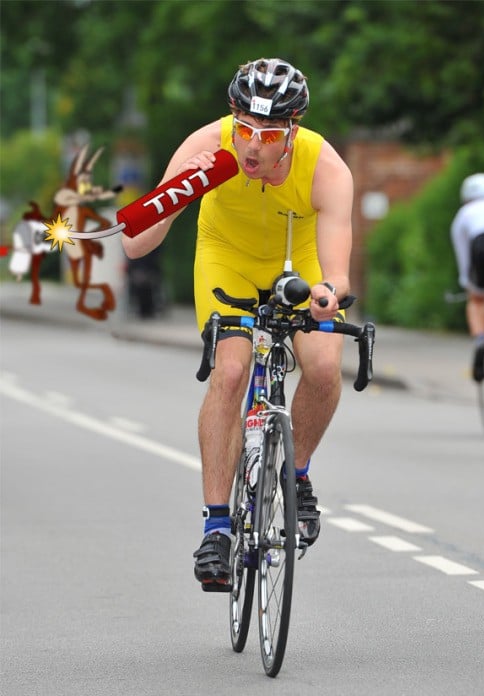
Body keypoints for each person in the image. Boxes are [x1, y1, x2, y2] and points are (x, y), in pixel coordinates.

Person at [122, 58, 353, 590]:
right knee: (230, 370)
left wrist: (326, 296)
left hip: (301, 265)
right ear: (232, 118)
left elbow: (337, 273)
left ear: (292, 130)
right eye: (245, 129)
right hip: (226, 259)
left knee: (322, 367)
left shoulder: (325, 167)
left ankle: (297, 477)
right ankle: (217, 528)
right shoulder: (207, 143)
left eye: (268, 134)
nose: (251, 146)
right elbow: (137, 243)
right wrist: (181, 186)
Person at [450, 173, 484, 382]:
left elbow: (464, 255)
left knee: (477, 300)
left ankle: (480, 341)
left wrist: (468, 283)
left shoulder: (465, 213)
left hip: (482, 246)